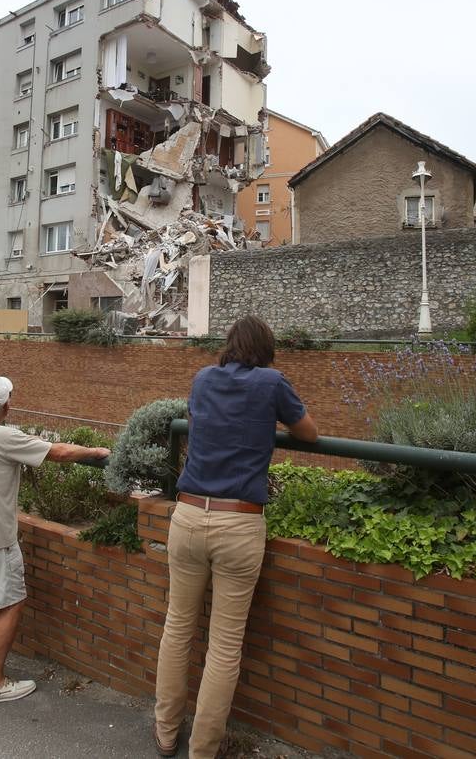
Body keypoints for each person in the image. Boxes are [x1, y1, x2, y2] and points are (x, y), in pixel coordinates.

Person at [154, 316, 318, 759]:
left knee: (177, 629)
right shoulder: (271, 382)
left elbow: (196, 421)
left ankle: (166, 732)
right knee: (224, 645)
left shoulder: (204, 377)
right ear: (266, 348)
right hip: (239, 522)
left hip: (187, 514)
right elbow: (309, 433)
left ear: (229, 345)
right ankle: (203, 750)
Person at [0, 375, 110, 707]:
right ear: (7, 405)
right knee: (12, 604)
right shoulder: (3, 436)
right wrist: (96, 450)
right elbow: (60, 452)